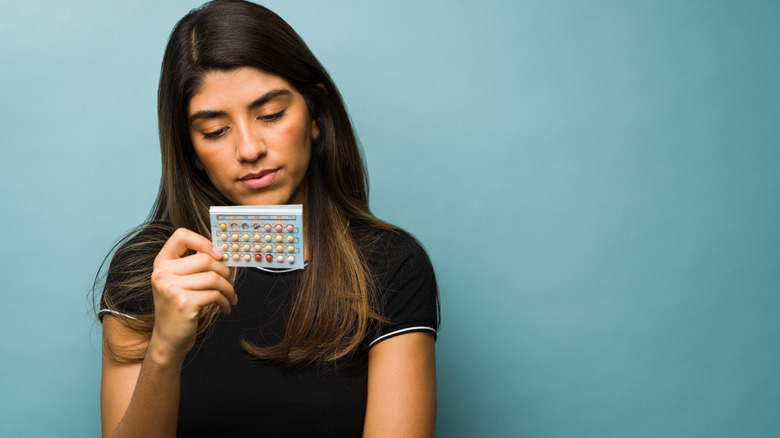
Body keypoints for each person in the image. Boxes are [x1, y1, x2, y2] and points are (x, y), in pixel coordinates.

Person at [96, 1, 440, 437]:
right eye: (215, 131)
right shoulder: (146, 269)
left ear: (315, 116)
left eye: (271, 115)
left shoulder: (391, 265)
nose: (249, 149)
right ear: (191, 152)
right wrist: (164, 348)